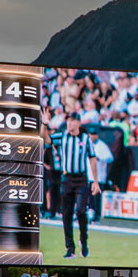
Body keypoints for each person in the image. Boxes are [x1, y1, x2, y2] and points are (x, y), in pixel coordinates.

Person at [42, 111, 101, 259]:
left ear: (79, 123)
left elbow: (92, 158)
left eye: (73, 120)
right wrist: (44, 124)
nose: (69, 123)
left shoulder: (85, 139)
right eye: (68, 120)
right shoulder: (62, 137)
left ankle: (84, 241)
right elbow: (46, 139)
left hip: (81, 179)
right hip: (66, 178)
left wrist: (95, 181)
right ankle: (70, 248)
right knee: (66, 214)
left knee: (81, 211)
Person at [86, 125, 113, 222]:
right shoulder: (87, 144)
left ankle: (96, 217)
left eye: (93, 134)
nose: (91, 136)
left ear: (96, 135)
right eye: (90, 134)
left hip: (99, 176)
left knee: (96, 198)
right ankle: (90, 215)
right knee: (89, 197)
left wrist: (100, 159)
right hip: (89, 175)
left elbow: (110, 158)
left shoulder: (102, 146)